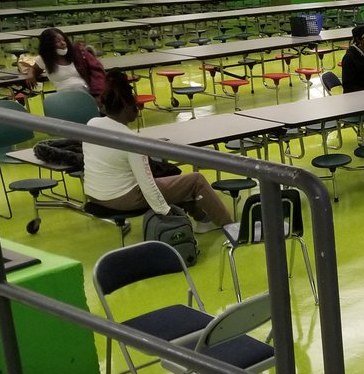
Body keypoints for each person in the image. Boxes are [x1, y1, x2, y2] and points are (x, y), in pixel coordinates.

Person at [83, 70, 233, 233]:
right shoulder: (132, 141)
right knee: (195, 180)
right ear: (126, 106)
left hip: (94, 194)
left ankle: (202, 219)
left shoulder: (92, 124)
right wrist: (165, 212)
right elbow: (147, 185)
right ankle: (231, 227)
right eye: (135, 103)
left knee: (175, 183)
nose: (138, 107)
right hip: (122, 198)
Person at [25, 27, 106, 97]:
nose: (63, 43)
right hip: (64, 96)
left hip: (86, 93)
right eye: (57, 41)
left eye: (63, 40)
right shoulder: (44, 59)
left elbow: (96, 70)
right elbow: (34, 68)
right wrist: (30, 73)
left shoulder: (77, 53)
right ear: (48, 45)